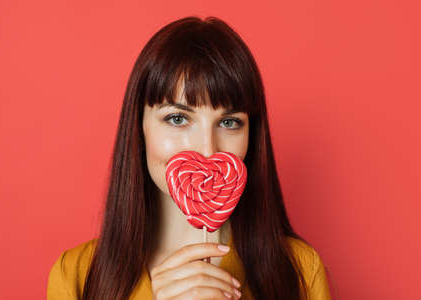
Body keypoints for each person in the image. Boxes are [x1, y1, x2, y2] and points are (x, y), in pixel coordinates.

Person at [47, 16, 332, 300]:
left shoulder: (300, 271)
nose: (208, 150)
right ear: (138, 130)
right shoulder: (76, 275)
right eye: (177, 118)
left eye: (229, 122)